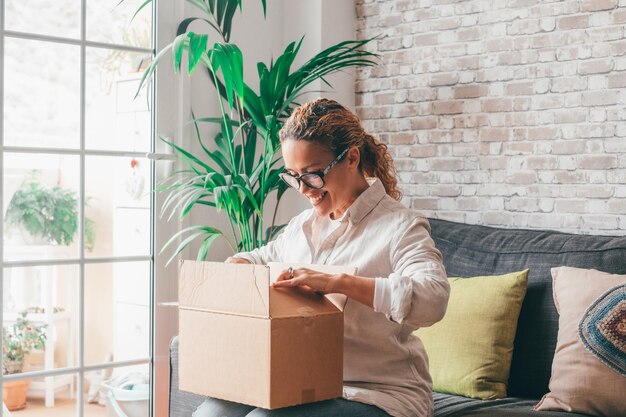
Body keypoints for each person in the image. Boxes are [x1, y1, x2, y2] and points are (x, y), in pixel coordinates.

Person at [193, 98, 449, 417]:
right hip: (307, 383)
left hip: (380, 393)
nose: (303, 189)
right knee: (211, 414)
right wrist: (240, 266)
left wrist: (338, 282)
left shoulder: (400, 226)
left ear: (351, 158)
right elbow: (264, 257)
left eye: (313, 175)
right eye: (293, 176)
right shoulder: (303, 226)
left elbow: (432, 298)